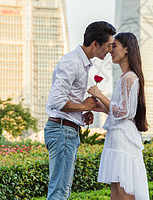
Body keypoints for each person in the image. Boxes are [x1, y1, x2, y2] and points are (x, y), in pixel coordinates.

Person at [45, 21, 116, 200]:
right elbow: (56, 100)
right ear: (95, 44)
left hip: (67, 130)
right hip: (62, 131)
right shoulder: (72, 62)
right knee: (59, 191)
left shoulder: (81, 63)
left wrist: (81, 113)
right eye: (108, 46)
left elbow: (66, 99)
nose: (110, 50)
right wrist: (84, 106)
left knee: (63, 190)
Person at [87, 32, 149, 200]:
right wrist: (102, 107)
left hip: (123, 139)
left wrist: (100, 95)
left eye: (114, 46)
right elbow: (120, 112)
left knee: (123, 190)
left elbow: (124, 112)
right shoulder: (124, 77)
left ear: (127, 49)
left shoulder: (129, 77)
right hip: (117, 136)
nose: (110, 50)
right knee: (116, 191)